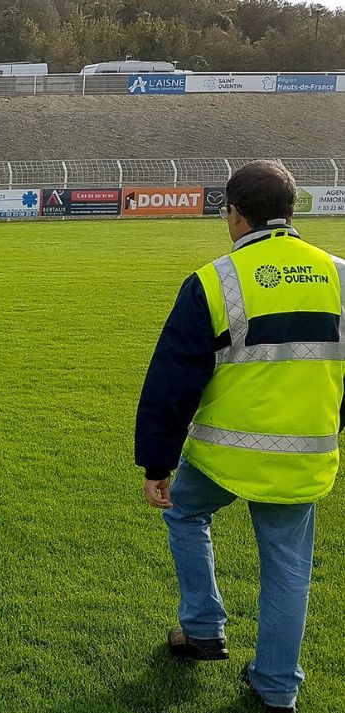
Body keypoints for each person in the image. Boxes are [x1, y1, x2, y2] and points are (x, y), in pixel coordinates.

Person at [135, 160, 345, 713]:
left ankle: (203, 627)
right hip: (304, 456)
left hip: (221, 456)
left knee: (183, 512)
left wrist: (157, 463)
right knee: (288, 569)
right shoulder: (342, 277)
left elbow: (171, 381)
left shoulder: (214, 280)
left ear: (233, 214)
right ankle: (277, 687)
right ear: (292, 209)